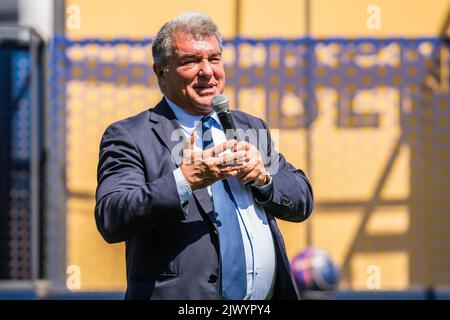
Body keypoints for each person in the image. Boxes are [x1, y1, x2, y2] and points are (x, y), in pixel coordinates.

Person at [95, 12, 313, 300]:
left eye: (214, 58)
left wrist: (264, 179)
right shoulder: (131, 135)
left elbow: (301, 199)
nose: (207, 71)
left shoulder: (250, 127)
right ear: (161, 72)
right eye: (190, 61)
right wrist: (184, 181)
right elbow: (112, 216)